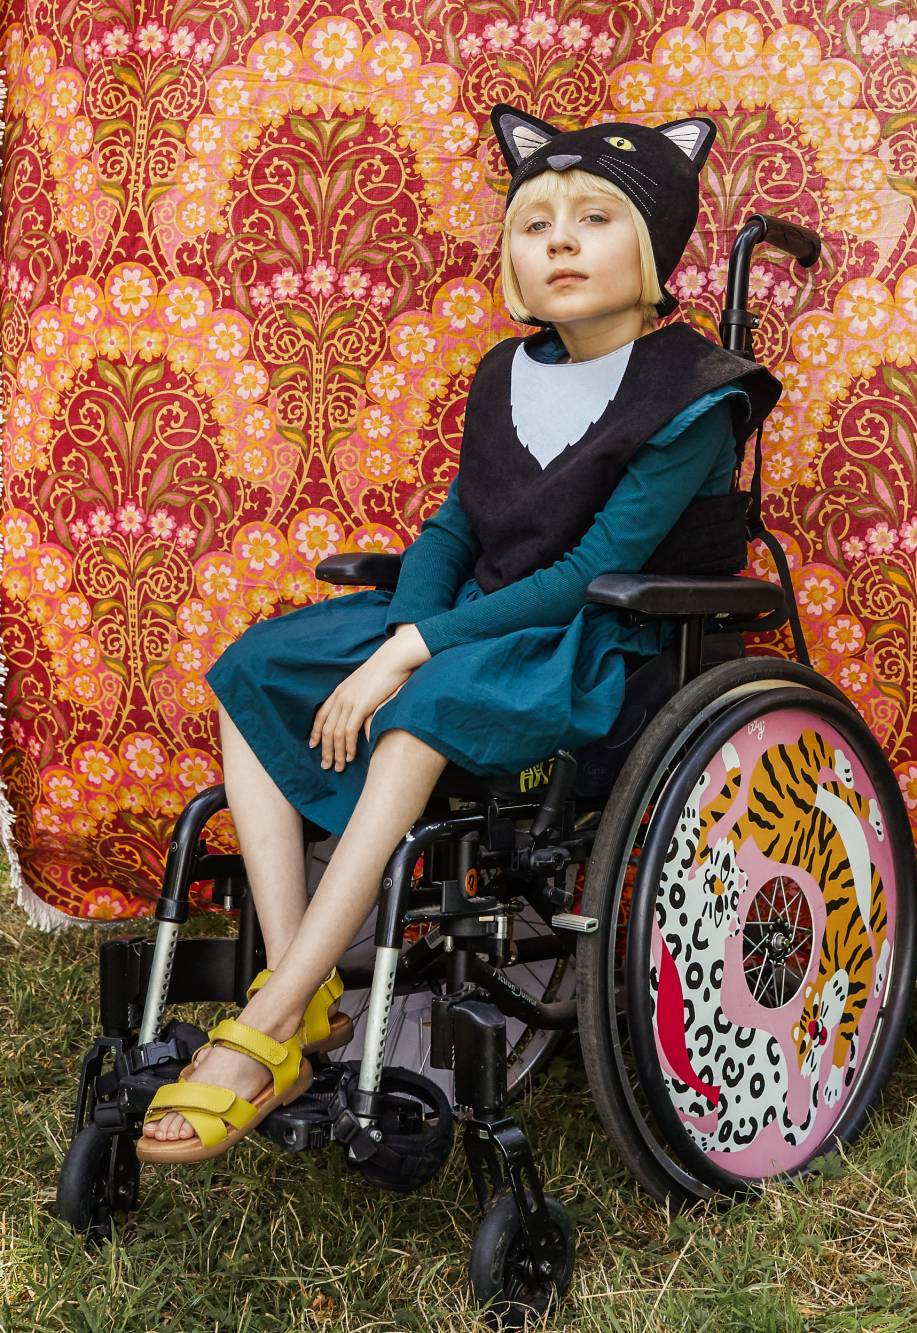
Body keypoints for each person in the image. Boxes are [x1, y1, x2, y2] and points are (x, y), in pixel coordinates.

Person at [137, 103, 781, 1161]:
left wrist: (409, 655)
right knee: (255, 667)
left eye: (593, 218)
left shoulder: (696, 395)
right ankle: (301, 986)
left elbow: (585, 573)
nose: (559, 241)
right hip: (473, 621)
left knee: (422, 704)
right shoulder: (504, 373)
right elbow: (455, 525)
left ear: (657, 253)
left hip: (603, 639)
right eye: (534, 224)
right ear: (513, 260)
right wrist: (403, 624)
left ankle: (264, 1022)